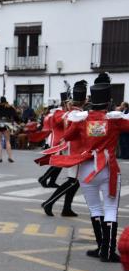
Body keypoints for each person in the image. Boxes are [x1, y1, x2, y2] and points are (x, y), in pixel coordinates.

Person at [51, 73, 129, 262]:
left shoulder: (81, 119)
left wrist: (76, 118)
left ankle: (101, 247)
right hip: (107, 168)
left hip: (86, 169)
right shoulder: (114, 119)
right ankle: (108, 252)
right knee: (110, 208)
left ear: (91, 100)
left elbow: (67, 136)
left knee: (95, 208)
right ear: (109, 100)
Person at [40, 88, 84, 217]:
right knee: (73, 181)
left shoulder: (70, 113)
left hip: (71, 147)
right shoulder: (78, 114)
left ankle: (66, 208)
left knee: (75, 181)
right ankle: (49, 203)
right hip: (76, 148)